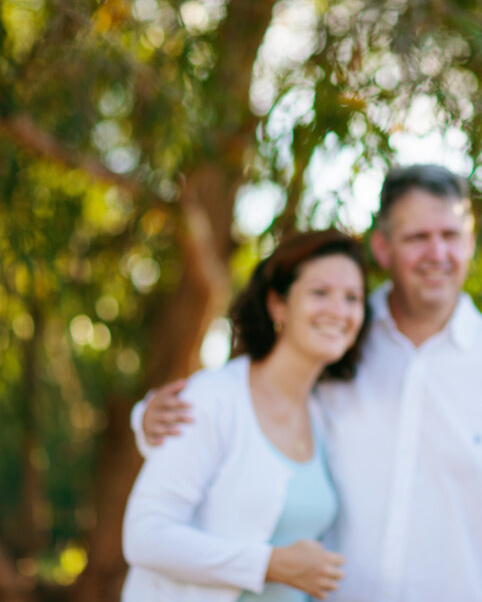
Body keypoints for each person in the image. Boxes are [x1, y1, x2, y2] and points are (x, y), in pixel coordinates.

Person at [134, 165, 482, 602]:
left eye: (451, 235)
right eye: (417, 238)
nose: (437, 253)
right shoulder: (343, 345)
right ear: (382, 248)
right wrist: (149, 419)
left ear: (470, 242)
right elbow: (255, 401)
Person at [121, 229, 370, 601]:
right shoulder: (212, 399)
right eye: (320, 292)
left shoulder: (326, 414)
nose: (338, 310)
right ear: (278, 305)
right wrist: (269, 564)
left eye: (352, 298)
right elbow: (144, 535)